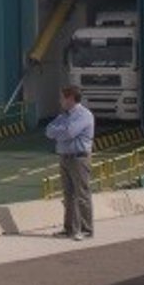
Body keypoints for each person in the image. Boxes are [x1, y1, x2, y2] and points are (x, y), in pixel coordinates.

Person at [45, 84, 95, 241]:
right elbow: (48, 131)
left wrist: (59, 132)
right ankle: (69, 229)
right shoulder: (63, 116)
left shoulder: (84, 115)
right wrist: (61, 131)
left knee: (82, 195)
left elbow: (69, 132)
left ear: (71, 98)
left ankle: (86, 230)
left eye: (62, 98)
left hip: (79, 158)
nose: (60, 101)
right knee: (68, 196)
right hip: (65, 157)